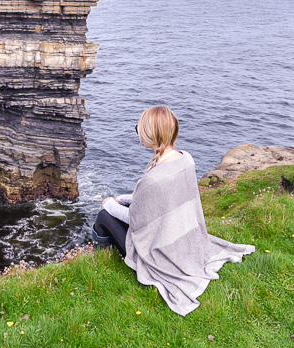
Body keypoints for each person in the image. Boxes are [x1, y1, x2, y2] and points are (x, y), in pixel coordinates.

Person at [92, 105, 255, 316]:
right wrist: (123, 198)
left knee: (103, 216)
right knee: (115, 208)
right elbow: (157, 197)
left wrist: (109, 204)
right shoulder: (185, 159)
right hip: (183, 238)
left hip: (160, 251)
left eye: (140, 129)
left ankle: (100, 258)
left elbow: (134, 220)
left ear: (151, 135)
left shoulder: (151, 179)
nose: (139, 133)